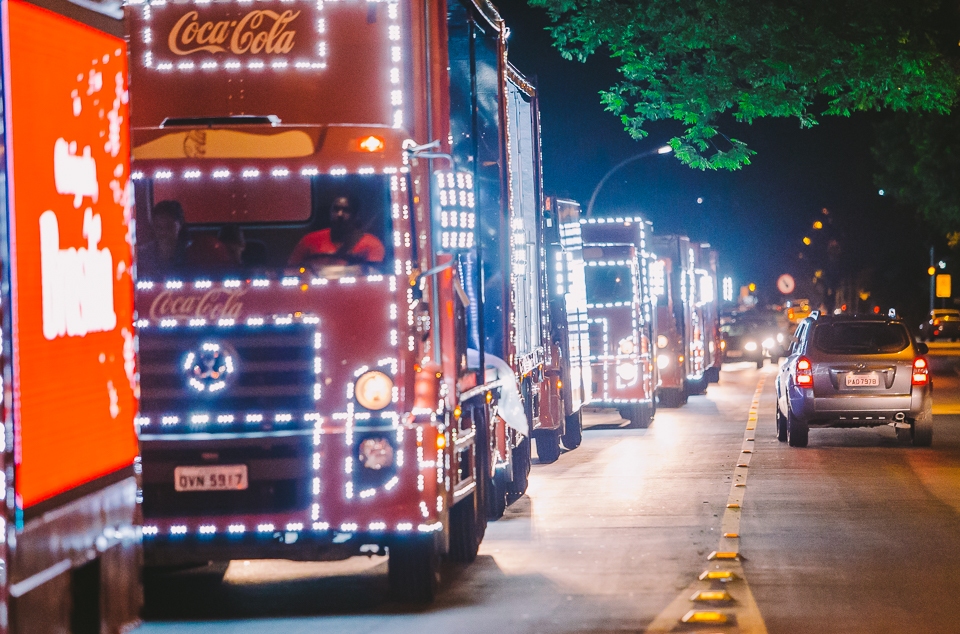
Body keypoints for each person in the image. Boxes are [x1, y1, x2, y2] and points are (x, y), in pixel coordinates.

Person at [288, 195, 385, 266]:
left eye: (346, 210)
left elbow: (375, 278)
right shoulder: (309, 240)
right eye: (336, 209)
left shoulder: (372, 244)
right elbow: (291, 271)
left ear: (356, 216)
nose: (339, 214)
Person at [137, 200, 187, 273]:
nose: (164, 232)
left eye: (169, 226)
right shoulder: (142, 255)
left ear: (180, 224)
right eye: (159, 227)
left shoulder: (193, 255)